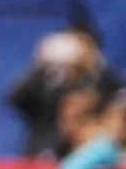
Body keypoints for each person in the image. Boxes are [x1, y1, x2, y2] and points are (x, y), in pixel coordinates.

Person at [10, 28, 123, 157]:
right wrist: (41, 65)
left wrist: (96, 66)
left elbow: (116, 100)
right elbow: (15, 98)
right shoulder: (49, 83)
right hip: (45, 151)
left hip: (86, 149)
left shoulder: (103, 81)